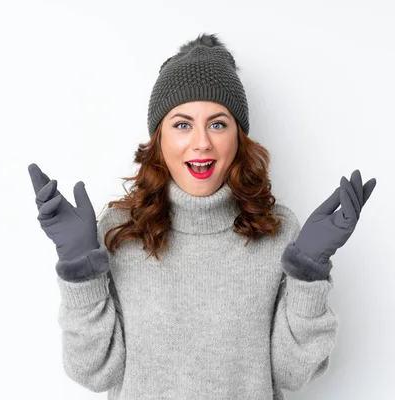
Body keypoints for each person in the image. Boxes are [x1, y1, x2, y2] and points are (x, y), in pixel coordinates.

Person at [28, 32, 376, 399]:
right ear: (158, 139)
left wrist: (309, 272)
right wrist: (80, 269)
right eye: (182, 124)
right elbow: (94, 373)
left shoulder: (278, 230)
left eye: (217, 123)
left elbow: (292, 374)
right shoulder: (121, 231)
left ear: (238, 137)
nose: (201, 142)